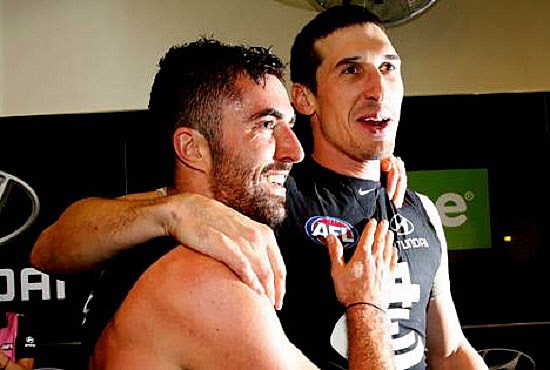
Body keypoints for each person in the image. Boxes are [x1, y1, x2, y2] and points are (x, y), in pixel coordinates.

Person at [30, 5, 487, 370]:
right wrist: (178, 209)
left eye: (389, 67)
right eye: (351, 70)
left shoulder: (415, 208)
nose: (377, 88)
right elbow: (51, 246)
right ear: (306, 96)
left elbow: (449, 350)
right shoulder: (257, 208)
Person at [62, 37, 397, 369]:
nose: (294, 151)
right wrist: (367, 304)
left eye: (289, 125)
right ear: (192, 149)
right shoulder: (203, 283)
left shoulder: (146, 236)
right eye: (266, 125)